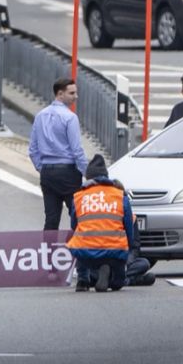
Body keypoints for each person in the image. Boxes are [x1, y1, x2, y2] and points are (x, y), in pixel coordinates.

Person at [67, 155, 134, 293]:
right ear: (106, 176)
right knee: (117, 284)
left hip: (86, 252)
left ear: (88, 178)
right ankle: (114, 279)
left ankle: (82, 280)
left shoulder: (79, 196)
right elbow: (128, 226)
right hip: (114, 252)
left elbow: (74, 225)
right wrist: (129, 247)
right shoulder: (120, 195)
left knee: (79, 240)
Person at [29, 78, 89, 231]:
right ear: (60, 94)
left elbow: (33, 149)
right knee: (78, 217)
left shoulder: (40, 116)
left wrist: (42, 168)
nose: (76, 96)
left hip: (47, 173)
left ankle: (48, 253)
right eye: (72, 93)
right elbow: (77, 150)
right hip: (68, 172)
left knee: (51, 219)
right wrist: (87, 172)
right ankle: (79, 252)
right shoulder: (70, 117)